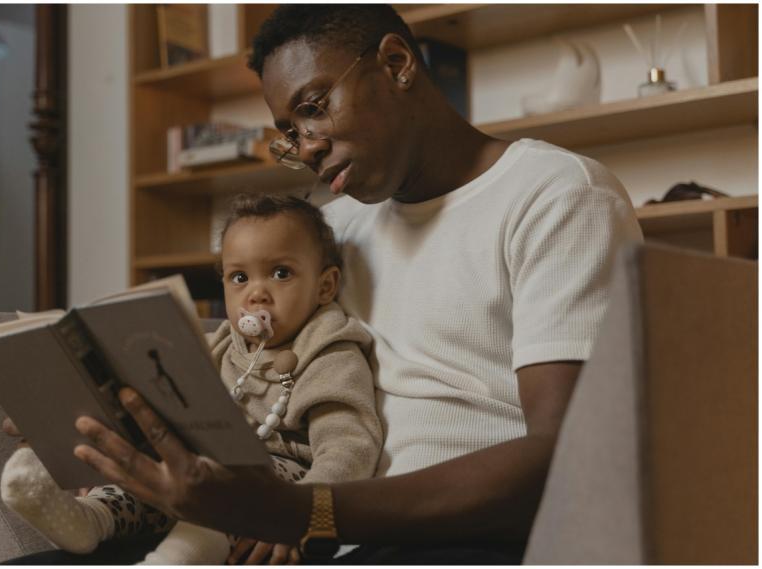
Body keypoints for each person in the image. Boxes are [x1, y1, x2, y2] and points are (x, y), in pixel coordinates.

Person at [70, 4, 644, 565]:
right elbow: (251, 364)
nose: (309, 145)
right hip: (324, 530)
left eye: (314, 107)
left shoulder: (557, 196)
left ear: (396, 63)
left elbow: (562, 457)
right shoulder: (335, 231)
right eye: (291, 133)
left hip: (469, 541)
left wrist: (304, 510)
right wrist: (97, 415)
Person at [0, 194, 382, 564]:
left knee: (220, 498)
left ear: (325, 286)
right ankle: (89, 519)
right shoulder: (222, 345)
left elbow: (349, 447)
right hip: (197, 470)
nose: (256, 293)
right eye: (239, 277)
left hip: (279, 485)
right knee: (145, 483)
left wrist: (301, 515)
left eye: (281, 273)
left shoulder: (330, 350)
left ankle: (177, 559)